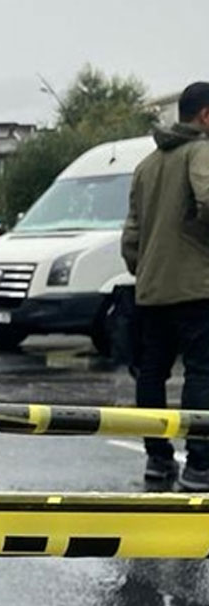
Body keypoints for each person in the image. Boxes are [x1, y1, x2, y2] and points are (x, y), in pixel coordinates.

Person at [121, 82, 209, 489]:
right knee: (202, 373)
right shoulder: (201, 152)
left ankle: (157, 460)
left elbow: (131, 236)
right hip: (198, 287)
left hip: (152, 290)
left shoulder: (147, 165)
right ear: (205, 116)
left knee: (152, 374)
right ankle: (200, 465)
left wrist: (148, 270)